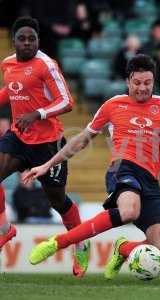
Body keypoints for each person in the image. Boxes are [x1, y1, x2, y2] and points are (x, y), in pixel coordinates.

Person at [24, 54, 160, 279]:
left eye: (147, 83)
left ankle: (124, 249)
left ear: (153, 82)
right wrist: (47, 164)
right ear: (128, 81)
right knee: (129, 211)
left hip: (150, 180)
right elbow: (82, 139)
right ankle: (58, 242)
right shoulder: (112, 105)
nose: (142, 88)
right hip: (123, 168)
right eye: (137, 83)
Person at [0, 16, 89, 277]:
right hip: (19, 137)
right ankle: (6, 229)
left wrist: (37, 114)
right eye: (22, 39)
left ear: (38, 41)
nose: (27, 43)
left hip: (48, 144)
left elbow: (67, 102)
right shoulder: (8, 63)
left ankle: (80, 244)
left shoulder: (47, 65)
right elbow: (12, 90)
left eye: (32, 39)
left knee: (58, 201)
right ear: (14, 40)